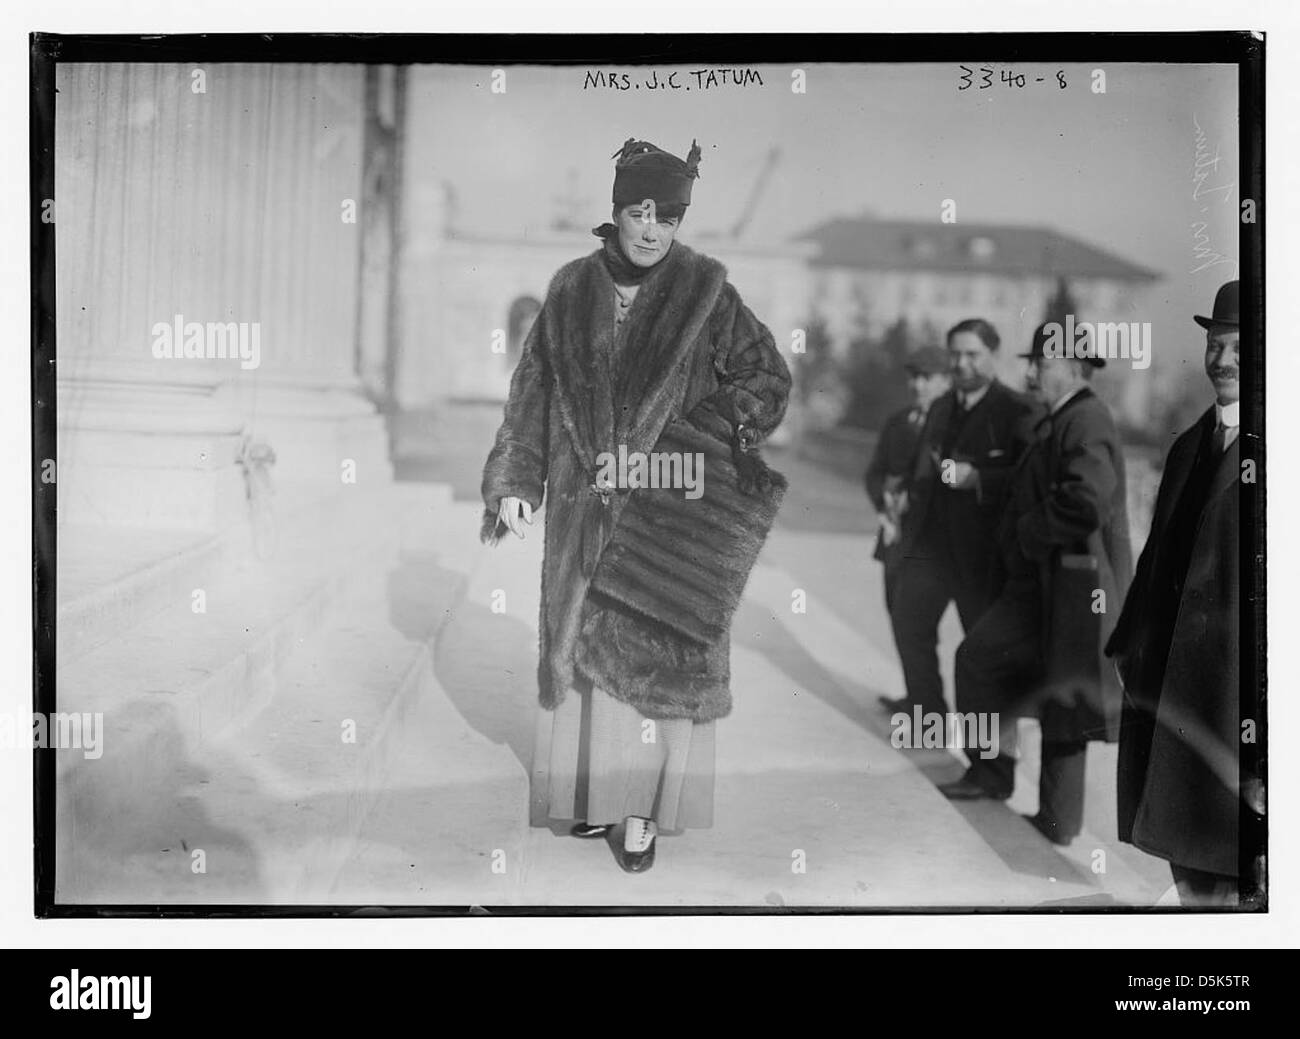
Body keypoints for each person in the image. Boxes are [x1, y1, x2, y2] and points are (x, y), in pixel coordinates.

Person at [479, 138, 792, 873]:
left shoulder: (707, 292)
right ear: (616, 211)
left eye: (667, 217)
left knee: (653, 657)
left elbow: (766, 378)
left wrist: (696, 441)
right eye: (639, 212)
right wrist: (518, 481)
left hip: (668, 510)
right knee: (586, 648)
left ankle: (645, 812)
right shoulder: (570, 289)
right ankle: (595, 801)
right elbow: (533, 392)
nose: (651, 230)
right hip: (585, 505)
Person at [939, 325, 1132, 850]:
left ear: (1074, 367)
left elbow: (1086, 499)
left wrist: (1026, 532)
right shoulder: (1068, 416)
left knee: (998, 667)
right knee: (1052, 692)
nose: (1030, 373)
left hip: (1067, 587)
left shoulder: (1084, 418)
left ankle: (1022, 795)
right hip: (1055, 587)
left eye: (1042, 363)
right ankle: (1040, 808)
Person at [1106, 280, 1249, 905]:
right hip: (1168, 678)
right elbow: (1156, 552)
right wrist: (1128, 647)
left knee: (1230, 854)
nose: (1223, 361)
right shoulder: (1190, 444)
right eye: (1217, 344)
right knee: (1176, 840)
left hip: (1232, 690)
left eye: (1243, 348)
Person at [882, 319, 1042, 717]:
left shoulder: (1017, 410)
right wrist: (904, 497)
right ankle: (928, 716)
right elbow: (925, 467)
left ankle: (992, 757)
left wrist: (978, 479)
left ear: (994, 356)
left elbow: (1031, 478)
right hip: (931, 549)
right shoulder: (940, 406)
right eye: (955, 354)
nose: (961, 363)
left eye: (972, 354)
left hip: (983, 557)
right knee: (909, 626)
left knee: (984, 654)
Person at [864, 346, 950, 690]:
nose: (918, 385)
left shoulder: (951, 425)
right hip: (894, 537)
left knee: (916, 625)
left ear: (946, 381)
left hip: (930, 546)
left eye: (927, 378)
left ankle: (927, 709)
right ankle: (915, 698)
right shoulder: (898, 422)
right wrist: (883, 500)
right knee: (897, 616)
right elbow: (874, 473)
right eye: (914, 377)